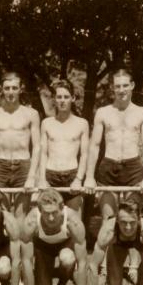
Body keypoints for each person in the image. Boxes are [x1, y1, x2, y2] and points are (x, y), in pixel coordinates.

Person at [84, 69, 143, 220]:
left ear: (132, 85)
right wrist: (89, 176)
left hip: (133, 168)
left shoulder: (142, 113)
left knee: (131, 218)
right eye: (117, 86)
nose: (121, 90)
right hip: (108, 167)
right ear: (112, 88)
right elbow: (94, 146)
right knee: (108, 219)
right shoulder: (103, 112)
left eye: (125, 85)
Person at [19, 188, 89, 285]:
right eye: (46, 213)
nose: (51, 218)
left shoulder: (72, 220)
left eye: (54, 212)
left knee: (67, 259)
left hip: (65, 246)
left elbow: (83, 261)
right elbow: (26, 261)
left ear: (62, 208)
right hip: (43, 248)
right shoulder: (31, 220)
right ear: (40, 210)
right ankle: (43, 278)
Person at [0, 71, 41, 220]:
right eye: (7, 88)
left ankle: (19, 243)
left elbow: (38, 147)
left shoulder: (31, 114)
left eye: (14, 88)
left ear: (21, 89)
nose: (10, 92)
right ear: (1, 89)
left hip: (23, 166)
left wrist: (32, 176)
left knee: (21, 216)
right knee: (2, 214)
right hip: (1, 166)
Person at [37, 79, 89, 215]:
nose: (62, 100)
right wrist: (42, 178)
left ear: (73, 98)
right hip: (50, 176)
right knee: (49, 220)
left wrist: (78, 179)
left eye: (66, 97)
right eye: (59, 97)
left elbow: (84, 155)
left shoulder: (82, 123)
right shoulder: (46, 123)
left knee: (74, 221)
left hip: (72, 175)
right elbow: (43, 154)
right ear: (54, 99)